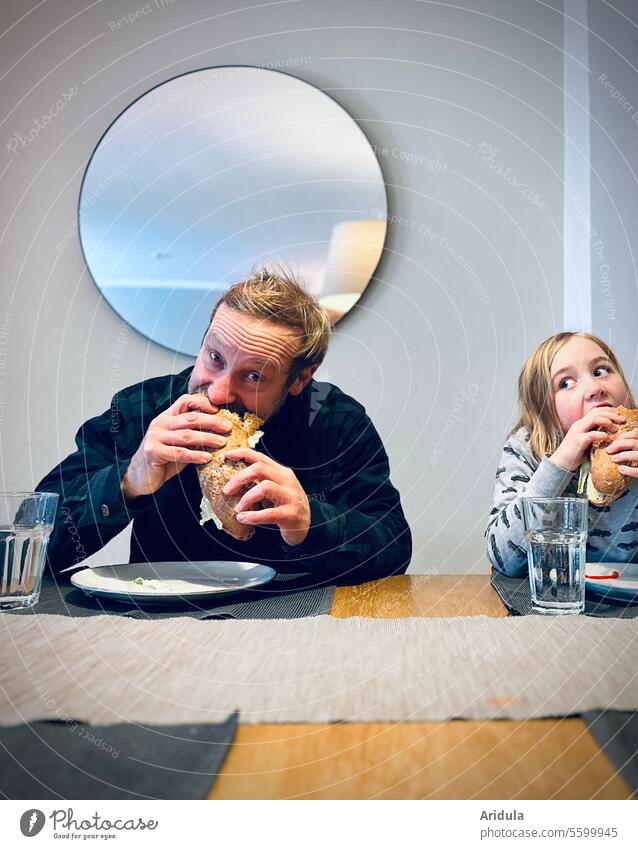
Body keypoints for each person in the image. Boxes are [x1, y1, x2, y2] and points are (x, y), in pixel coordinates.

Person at [39, 269, 411, 584]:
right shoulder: (140, 411)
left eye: (253, 376)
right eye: (214, 358)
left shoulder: (337, 422)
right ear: (202, 343)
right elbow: (35, 546)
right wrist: (129, 482)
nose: (218, 392)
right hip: (162, 622)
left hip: (296, 622)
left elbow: (394, 547)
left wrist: (311, 523)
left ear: (299, 379)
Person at [486, 332, 638, 577]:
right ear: (544, 409)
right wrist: (560, 463)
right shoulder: (527, 447)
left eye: (601, 371)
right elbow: (503, 558)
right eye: (565, 383)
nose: (595, 388)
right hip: (552, 601)